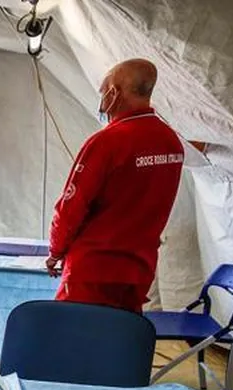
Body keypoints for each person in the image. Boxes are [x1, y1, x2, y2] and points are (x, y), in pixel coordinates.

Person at [46, 59, 184, 313]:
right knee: (119, 335)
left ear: (114, 92)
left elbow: (71, 207)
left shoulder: (107, 142)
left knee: (72, 334)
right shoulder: (171, 141)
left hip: (93, 271)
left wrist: (55, 252)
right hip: (137, 270)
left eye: (103, 91)